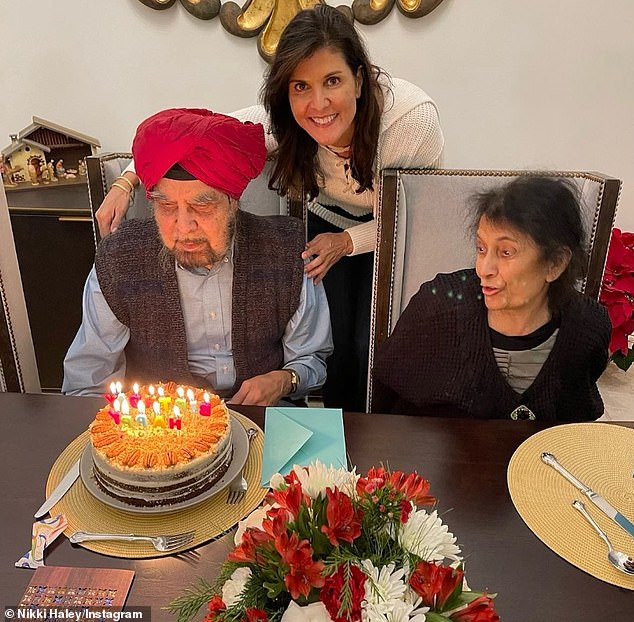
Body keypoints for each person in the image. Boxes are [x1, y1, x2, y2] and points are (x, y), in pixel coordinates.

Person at [93, 6, 443, 412]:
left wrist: (347, 242)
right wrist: (128, 180)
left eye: (332, 80)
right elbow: (191, 140)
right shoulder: (281, 123)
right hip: (324, 220)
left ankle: (366, 435)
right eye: (300, 87)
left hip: (392, 227)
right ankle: (342, 422)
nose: (318, 103)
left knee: (372, 345)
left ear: (359, 79)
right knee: (339, 342)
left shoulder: (412, 124)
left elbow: (412, 213)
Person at [63, 108, 333, 406]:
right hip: (162, 431)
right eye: (166, 207)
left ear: (232, 202)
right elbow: (87, 382)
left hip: (265, 418)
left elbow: (312, 360)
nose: (183, 226)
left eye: (202, 206)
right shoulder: (119, 261)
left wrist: (286, 380)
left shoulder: (287, 253)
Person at [372, 176, 611, 421]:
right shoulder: (438, 308)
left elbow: (578, 423)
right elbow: (385, 399)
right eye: (481, 248)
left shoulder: (589, 327)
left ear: (555, 263)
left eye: (506, 252)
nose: (484, 269)